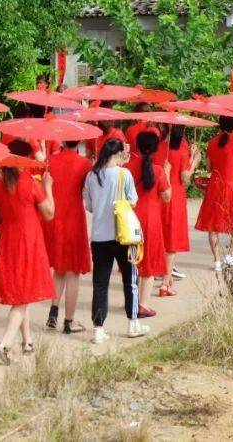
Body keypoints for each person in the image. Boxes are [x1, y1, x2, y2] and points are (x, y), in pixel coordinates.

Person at [0, 140, 56, 364]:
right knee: (23, 296)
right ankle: (4, 343)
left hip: (8, 241)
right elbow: (49, 213)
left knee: (20, 293)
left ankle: (26, 341)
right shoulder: (31, 184)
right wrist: (48, 186)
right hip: (29, 242)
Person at [82, 138, 148, 343]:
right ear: (119, 154)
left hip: (99, 237)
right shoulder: (124, 174)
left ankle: (99, 329)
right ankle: (132, 323)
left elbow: (90, 206)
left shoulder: (92, 175)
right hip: (123, 236)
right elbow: (133, 200)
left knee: (100, 283)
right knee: (130, 280)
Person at [43, 141, 92, 334]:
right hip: (74, 219)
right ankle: (69, 320)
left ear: (63, 141)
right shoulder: (85, 164)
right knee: (73, 272)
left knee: (59, 270)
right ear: (79, 142)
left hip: (55, 218)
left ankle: (53, 314)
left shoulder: (50, 161)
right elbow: (88, 191)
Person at [125, 132, 171, 318]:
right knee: (149, 262)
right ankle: (143, 304)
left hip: (132, 218)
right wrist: (167, 173)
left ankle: (132, 301)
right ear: (155, 149)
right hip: (151, 220)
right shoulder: (158, 170)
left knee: (132, 261)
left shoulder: (127, 168)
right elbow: (167, 197)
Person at [195, 117, 233, 270]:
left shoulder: (212, 142)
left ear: (219, 125)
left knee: (213, 224)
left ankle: (217, 260)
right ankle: (231, 255)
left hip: (216, 186)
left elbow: (209, 168)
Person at [161, 126, 198, 291]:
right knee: (172, 240)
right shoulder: (182, 151)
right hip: (175, 194)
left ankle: (167, 277)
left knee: (163, 235)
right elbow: (185, 177)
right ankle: (165, 281)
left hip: (161, 192)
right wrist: (194, 161)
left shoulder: (160, 147)